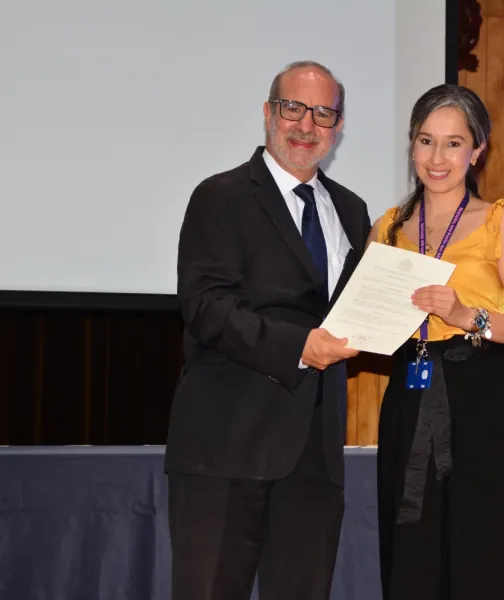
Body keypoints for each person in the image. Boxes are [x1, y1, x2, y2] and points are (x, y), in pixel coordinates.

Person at [164, 61, 372, 600]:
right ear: (268, 113)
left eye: (323, 113)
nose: (306, 125)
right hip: (226, 447)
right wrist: (299, 345)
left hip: (315, 457)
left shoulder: (351, 210)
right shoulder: (221, 196)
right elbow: (206, 307)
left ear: (338, 126)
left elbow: (353, 310)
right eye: (293, 108)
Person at [370, 84, 504, 599]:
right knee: (412, 551)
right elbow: (370, 322)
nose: (437, 158)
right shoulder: (388, 228)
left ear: (477, 150)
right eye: (426, 141)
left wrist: (466, 315)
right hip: (411, 393)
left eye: (453, 143)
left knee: (484, 553)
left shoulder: (499, 222)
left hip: (485, 398)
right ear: (411, 145)